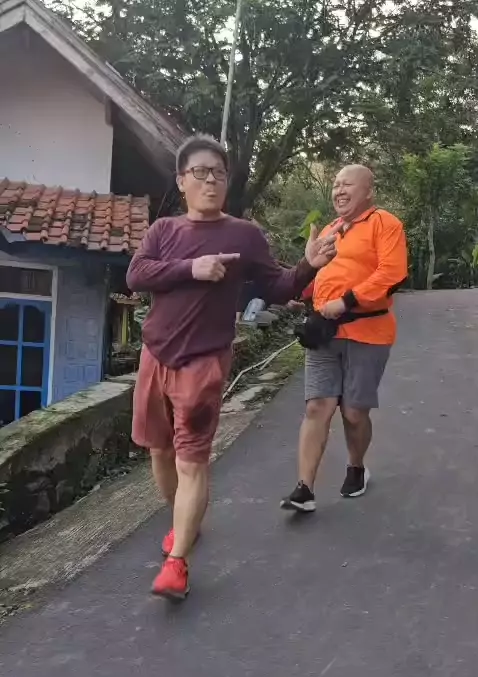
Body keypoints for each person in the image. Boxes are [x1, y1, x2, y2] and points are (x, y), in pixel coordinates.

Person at [126, 134, 337, 600]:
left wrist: (307, 266)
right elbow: (136, 275)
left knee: (191, 460)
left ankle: (177, 563)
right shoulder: (163, 230)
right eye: (200, 172)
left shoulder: (244, 235)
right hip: (154, 355)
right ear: (181, 180)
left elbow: (278, 287)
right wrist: (192, 268)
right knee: (159, 452)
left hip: (204, 360)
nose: (211, 181)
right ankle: (184, 521)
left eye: (219, 174)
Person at [280, 164, 408, 513]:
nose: (338, 190)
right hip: (324, 331)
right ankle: (304, 489)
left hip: (369, 332)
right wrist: (302, 288)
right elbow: (322, 275)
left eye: (347, 184)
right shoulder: (331, 229)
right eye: (335, 184)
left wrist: (348, 300)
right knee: (317, 406)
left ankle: (356, 466)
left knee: (353, 412)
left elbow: (392, 273)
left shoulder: (384, 223)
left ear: (368, 191)